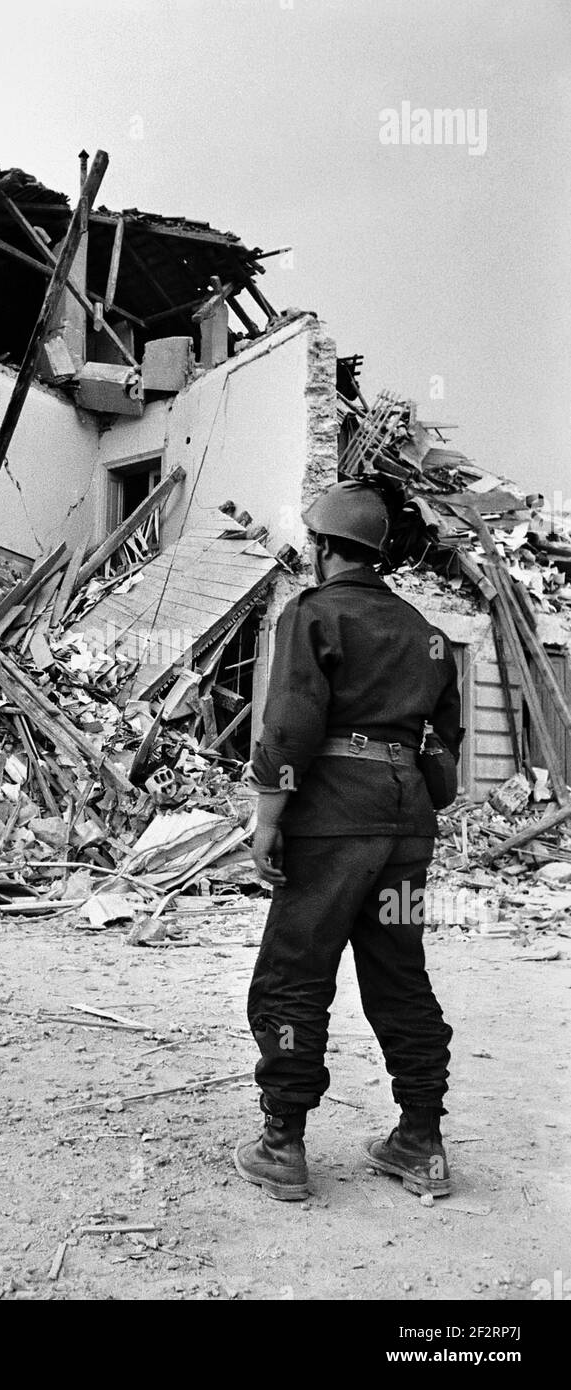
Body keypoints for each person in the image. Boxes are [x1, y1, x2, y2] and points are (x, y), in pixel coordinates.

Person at [235, 479, 462, 1201]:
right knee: (399, 977)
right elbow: (445, 743)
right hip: (405, 828)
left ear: (324, 549)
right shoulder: (423, 631)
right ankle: (420, 1142)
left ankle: (281, 1148)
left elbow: (290, 726)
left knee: (293, 977)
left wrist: (269, 820)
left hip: (332, 822)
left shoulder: (312, 614)